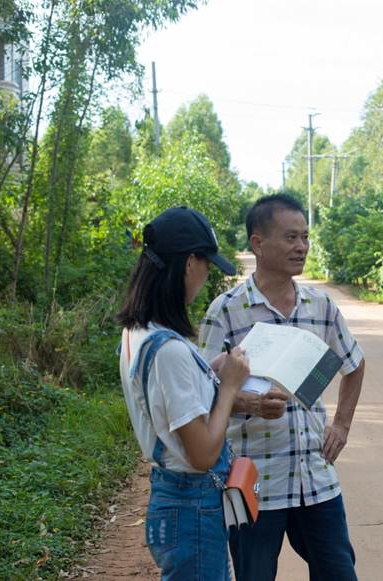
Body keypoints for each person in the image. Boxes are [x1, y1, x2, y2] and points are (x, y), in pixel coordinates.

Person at [199, 193, 366, 581]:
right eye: (291, 237)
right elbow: (203, 392)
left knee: (340, 574)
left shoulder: (320, 307)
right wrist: (250, 405)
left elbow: (353, 366)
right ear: (258, 243)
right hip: (254, 479)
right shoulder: (226, 311)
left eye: (305, 237)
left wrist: (340, 425)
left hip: (315, 476)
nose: (302, 246)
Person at [116, 206, 250, 580]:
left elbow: (160, 401)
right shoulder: (170, 350)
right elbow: (203, 453)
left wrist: (208, 370)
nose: (207, 276)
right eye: (207, 264)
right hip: (192, 506)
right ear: (190, 263)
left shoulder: (138, 333)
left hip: (173, 501)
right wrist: (229, 388)